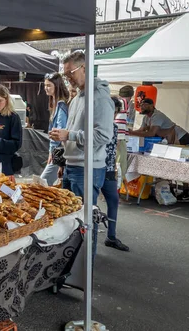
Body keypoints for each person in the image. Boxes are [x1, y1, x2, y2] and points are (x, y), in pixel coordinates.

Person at [49, 51, 114, 261]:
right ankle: (68, 264)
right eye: (65, 73)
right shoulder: (77, 97)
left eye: (70, 73)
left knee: (84, 221)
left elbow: (104, 135)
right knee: (68, 219)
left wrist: (71, 135)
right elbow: (73, 130)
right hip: (72, 165)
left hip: (88, 168)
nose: (67, 77)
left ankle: (84, 266)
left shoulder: (100, 97)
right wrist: (63, 157)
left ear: (84, 67)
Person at [100, 97, 130, 251]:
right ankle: (84, 238)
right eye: (114, 111)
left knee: (113, 200)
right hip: (97, 167)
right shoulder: (98, 125)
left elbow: (113, 149)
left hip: (109, 168)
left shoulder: (114, 126)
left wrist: (115, 167)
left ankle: (111, 236)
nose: (114, 115)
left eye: (116, 112)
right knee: (87, 204)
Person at [40, 73, 69, 185]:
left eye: (49, 85)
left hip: (59, 150)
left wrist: (52, 152)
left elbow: (59, 130)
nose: (46, 88)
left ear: (57, 86)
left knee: (42, 184)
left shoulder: (61, 104)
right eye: (45, 85)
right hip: (58, 149)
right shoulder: (56, 103)